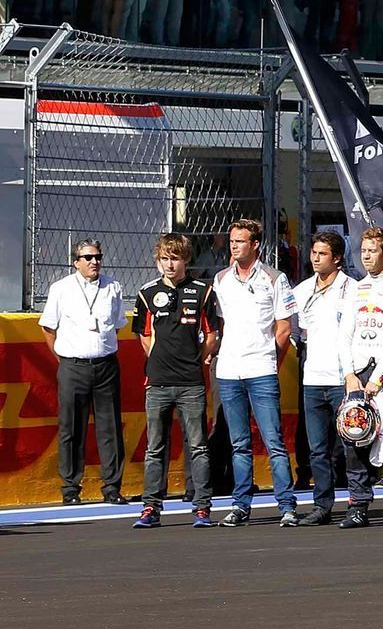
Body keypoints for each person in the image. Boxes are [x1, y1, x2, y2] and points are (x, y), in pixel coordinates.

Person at [212, 219, 298, 526]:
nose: (234, 246)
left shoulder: (275, 278)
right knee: (238, 443)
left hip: (261, 369)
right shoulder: (221, 279)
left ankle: (286, 505)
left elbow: (284, 327)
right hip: (229, 370)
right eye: (232, 241)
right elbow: (220, 325)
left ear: (255, 244)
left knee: (273, 440)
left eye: (240, 241)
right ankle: (241, 504)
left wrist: (268, 357)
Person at [132, 234, 220, 526]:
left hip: (191, 382)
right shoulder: (146, 293)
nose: (170, 265)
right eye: (165, 259)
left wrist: (197, 360)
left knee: (197, 445)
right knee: (155, 447)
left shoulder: (203, 291)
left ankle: (202, 506)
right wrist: (158, 359)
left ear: (186, 260)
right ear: (158, 261)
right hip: (157, 381)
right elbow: (144, 336)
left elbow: (211, 336)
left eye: (176, 258)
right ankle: (151, 507)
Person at [41, 237, 127, 508]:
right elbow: (48, 328)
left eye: (98, 257)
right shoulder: (61, 288)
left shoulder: (113, 286)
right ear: (76, 262)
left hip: (105, 364)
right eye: (88, 258)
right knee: (71, 428)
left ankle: (112, 486)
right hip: (72, 365)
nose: (94, 262)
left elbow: (117, 326)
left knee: (110, 427)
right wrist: (65, 358)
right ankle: (70, 486)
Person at [292, 232, 356, 525]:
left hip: (343, 377)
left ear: (338, 258)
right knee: (317, 449)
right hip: (313, 378)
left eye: (322, 254)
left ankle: (358, 502)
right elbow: (299, 332)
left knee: (351, 444)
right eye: (314, 253)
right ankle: (322, 505)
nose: (315, 258)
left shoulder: (352, 289)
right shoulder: (303, 290)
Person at [341, 226, 383, 530]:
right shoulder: (356, 288)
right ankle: (358, 506)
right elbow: (345, 335)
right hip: (357, 374)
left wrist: (379, 377)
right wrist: (349, 374)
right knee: (354, 438)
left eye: (372, 250)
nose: (366, 255)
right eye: (363, 250)